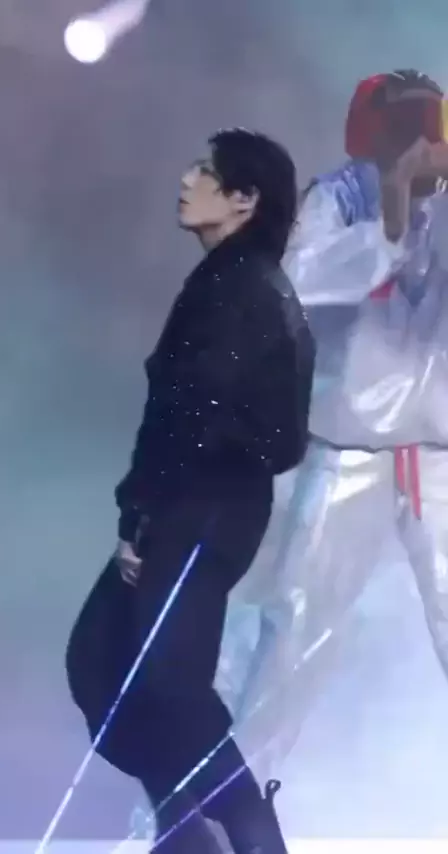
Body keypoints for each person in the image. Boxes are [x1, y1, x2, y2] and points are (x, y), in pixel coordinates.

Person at [66, 128, 315, 853]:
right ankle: (190, 834)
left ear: (244, 199)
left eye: (206, 171)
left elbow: (205, 419)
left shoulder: (244, 291)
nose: (186, 178)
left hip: (201, 510)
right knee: (106, 665)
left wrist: (144, 517)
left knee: (163, 681)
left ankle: (250, 833)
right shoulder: (231, 282)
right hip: (195, 507)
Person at [233, 69, 448, 773]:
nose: (429, 142)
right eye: (414, 126)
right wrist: (391, 217)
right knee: (294, 632)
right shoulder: (341, 196)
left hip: (438, 451)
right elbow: (297, 281)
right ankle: (220, 805)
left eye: (436, 124)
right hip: (346, 448)